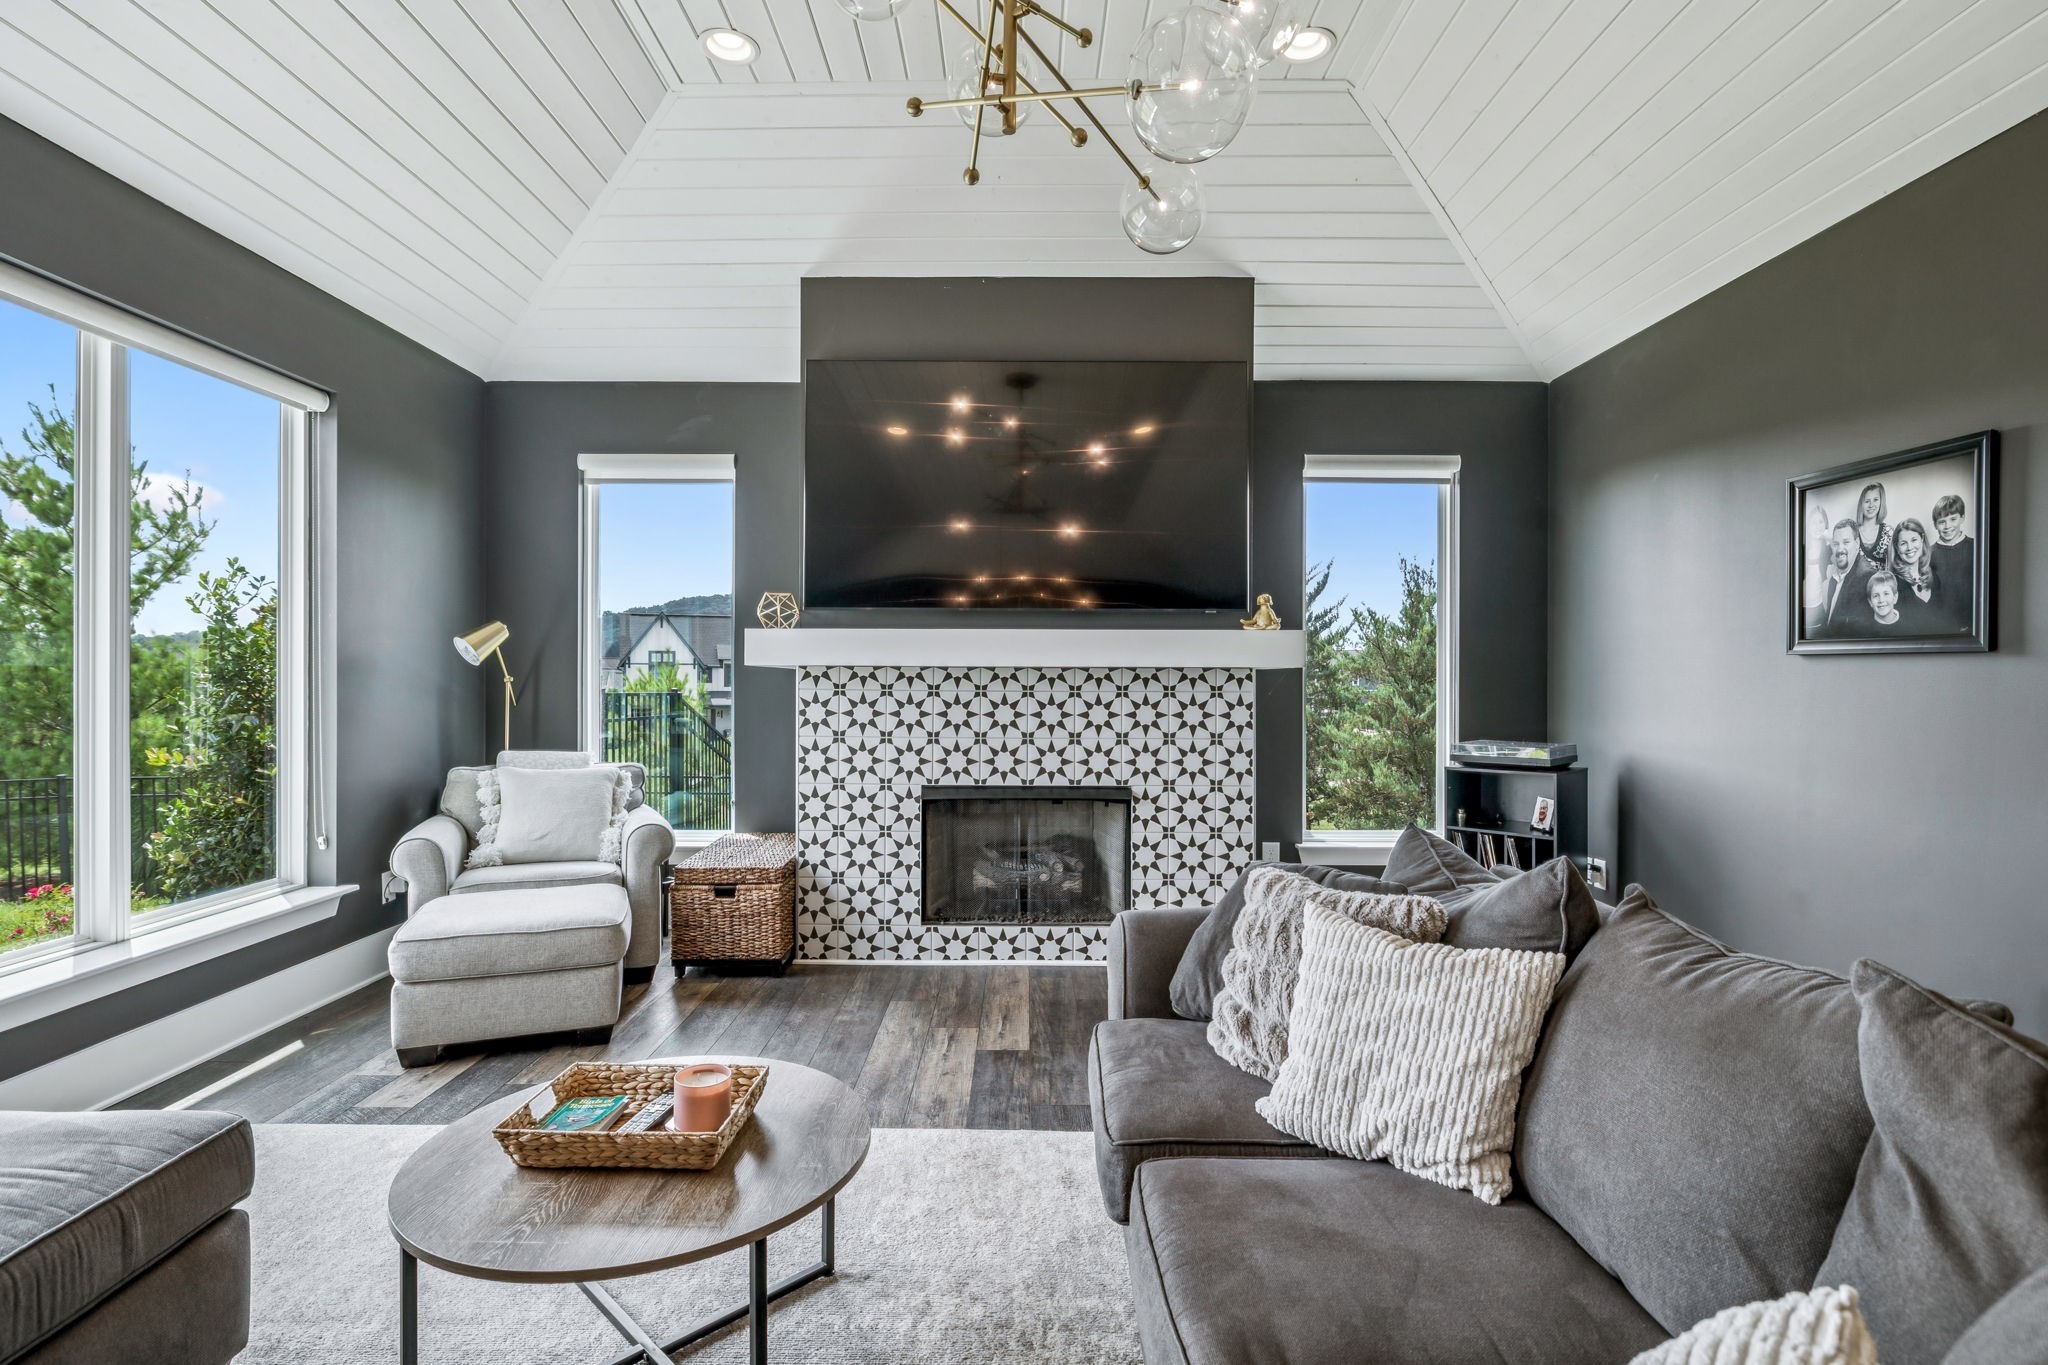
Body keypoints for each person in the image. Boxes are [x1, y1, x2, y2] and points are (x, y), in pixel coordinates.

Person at [1806, 518, 1874, 638]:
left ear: (1857, 543)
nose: (1840, 549)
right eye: (1836, 544)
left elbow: (1856, 634)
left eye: (1846, 542)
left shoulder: (1866, 578)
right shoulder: (1836, 575)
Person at [1929, 493, 1975, 632]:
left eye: (1953, 519)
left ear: (1962, 518)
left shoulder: (1976, 547)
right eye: (1942, 521)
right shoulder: (1929, 554)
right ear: (1935, 525)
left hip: (1973, 624)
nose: (1947, 526)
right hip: (1942, 625)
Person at [1888, 518, 1939, 633]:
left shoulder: (1934, 577)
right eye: (1903, 543)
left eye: (1914, 540)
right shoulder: (1892, 584)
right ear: (1897, 547)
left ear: (1922, 539)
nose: (1910, 547)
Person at [1853, 482, 1892, 569]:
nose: (1871, 505)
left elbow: (1893, 566)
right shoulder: (1853, 532)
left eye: (1875, 500)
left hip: (1883, 582)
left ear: (1881, 502)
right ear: (1861, 505)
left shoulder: (1889, 532)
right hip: (1858, 582)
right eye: (1867, 501)